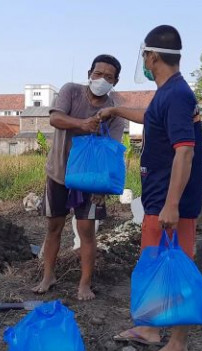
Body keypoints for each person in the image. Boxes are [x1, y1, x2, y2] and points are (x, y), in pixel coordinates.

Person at [98, 25, 202, 351]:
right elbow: (150, 116)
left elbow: (185, 151)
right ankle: (148, 327)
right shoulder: (168, 93)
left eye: (144, 56)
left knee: (178, 268)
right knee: (154, 263)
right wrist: (115, 110)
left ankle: (178, 347)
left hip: (173, 204)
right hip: (159, 198)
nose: (143, 61)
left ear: (153, 56)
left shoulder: (176, 94)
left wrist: (172, 205)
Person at [32, 54, 127, 301]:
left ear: (115, 81)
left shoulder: (115, 110)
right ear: (89, 74)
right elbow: (55, 118)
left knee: (86, 230)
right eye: (98, 74)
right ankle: (48, 275)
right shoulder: (71, 91)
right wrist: (83, 124)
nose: (102, 79)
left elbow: (112, 147)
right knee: (54, 226)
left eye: (108, 76)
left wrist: (102, 187)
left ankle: (84, 284)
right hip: (59, 173)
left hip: (92, 179)